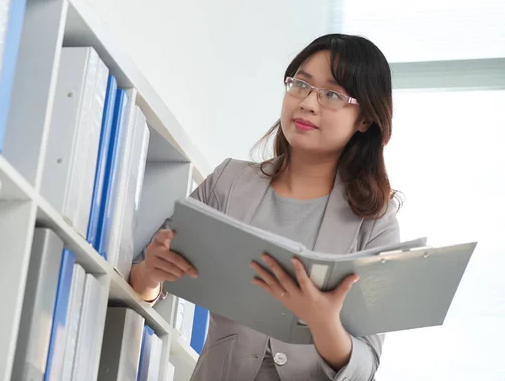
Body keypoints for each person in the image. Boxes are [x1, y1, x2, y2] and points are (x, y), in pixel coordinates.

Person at [129, 33, 400, 381]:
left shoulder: (375, 221)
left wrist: (323, 324)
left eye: (331, 94)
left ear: (364, 120)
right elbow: (141, 282)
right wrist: (151, 274)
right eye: (300, 84)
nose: (308, 103)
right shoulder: (228, 183)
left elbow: (365, 365)